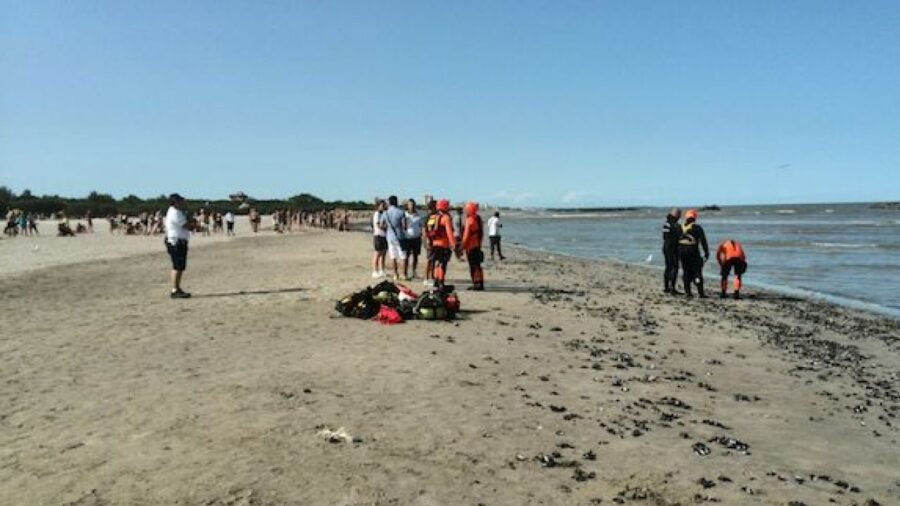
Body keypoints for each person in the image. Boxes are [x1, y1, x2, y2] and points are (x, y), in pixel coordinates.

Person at [164, 193, 192, 299]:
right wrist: (189, 216)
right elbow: (186, 225)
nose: (182, 202)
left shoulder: (176, 212)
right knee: (177, 266)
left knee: (180, 266)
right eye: (180, 201)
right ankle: (175, 289)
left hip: (178, 240)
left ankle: (177, 288)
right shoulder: (175, 213)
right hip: (176, 241)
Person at [678, 209, 709, 298]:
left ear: (686, 217)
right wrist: (706, 253)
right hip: (693, 252)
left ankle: (688, 292)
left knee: (686, 271)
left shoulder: (680, 227)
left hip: (682, 252)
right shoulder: (697, 228)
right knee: (697, 272)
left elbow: (675, 240)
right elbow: (703, 241)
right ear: (695, 217)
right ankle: (701, 293)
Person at [427, 199, 456, 288]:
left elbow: (428, 229)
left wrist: (429, 241)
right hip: (444, 244)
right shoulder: (446, 218)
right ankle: (441, 281)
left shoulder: (432, 217)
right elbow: (449, 233)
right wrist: (453, 244)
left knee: (436, 263)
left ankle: (435, 280)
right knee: (442, 264)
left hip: (434, 244)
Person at [380, 196, 408, 281]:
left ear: (389, 202)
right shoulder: (401, 212)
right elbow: (404, 226)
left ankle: (395, 274)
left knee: (393, 256)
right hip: (400, 237)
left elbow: (381, 225)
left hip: (390, 237)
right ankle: (403, 274)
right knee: (403, 256)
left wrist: (387, 228)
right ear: (396, 202)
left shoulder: (386, 213)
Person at [462, 202, 485, 290]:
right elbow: (481, 233)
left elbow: (466, 236)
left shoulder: (470, 220)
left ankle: (476, 283)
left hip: (470, 247)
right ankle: (480, 282)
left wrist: (462, 247)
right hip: (477, 245)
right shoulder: (478, 218)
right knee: (478, 265)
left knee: (473, 266)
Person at [662, 208, 682, 294]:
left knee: (668, 267)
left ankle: (666, 287)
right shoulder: (675, 225)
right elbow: (679, 236)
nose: (680, 217)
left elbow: (664, 236)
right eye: (679, 215)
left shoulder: (666, 224)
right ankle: (672, 288)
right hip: (672, 248)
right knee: (675, 267)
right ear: (676, 215)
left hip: (666, 247)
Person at [404, 199, 423, 279]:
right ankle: (405, 273)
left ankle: (414, 272)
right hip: (407, 238)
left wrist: (421, 234)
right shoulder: (404, 215)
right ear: (407, 206)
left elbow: (421, 226)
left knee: (415, 256)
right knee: (406, 256)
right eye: (410, 204)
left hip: (417, 238)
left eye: (412, 204)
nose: (411, 206)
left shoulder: (418, 215)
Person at [422, 199, 439, 286]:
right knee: (430, 260)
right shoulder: (431, 216)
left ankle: (430, 277)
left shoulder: (431, 216)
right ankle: (427, 278)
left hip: (431, 240)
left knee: (432, 260)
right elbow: (428, 228)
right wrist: (428, 240)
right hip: (430, 241)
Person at [371, 200, 387, 278]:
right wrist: (386, 228)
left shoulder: (384, 214)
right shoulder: (377, 214)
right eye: (381, 205)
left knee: (383, 253)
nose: (383, 207)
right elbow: (378, 225)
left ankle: (382, 270)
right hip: (378, 235)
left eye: (384, 205)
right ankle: (375, 270)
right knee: (377, 253)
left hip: (384, 236)